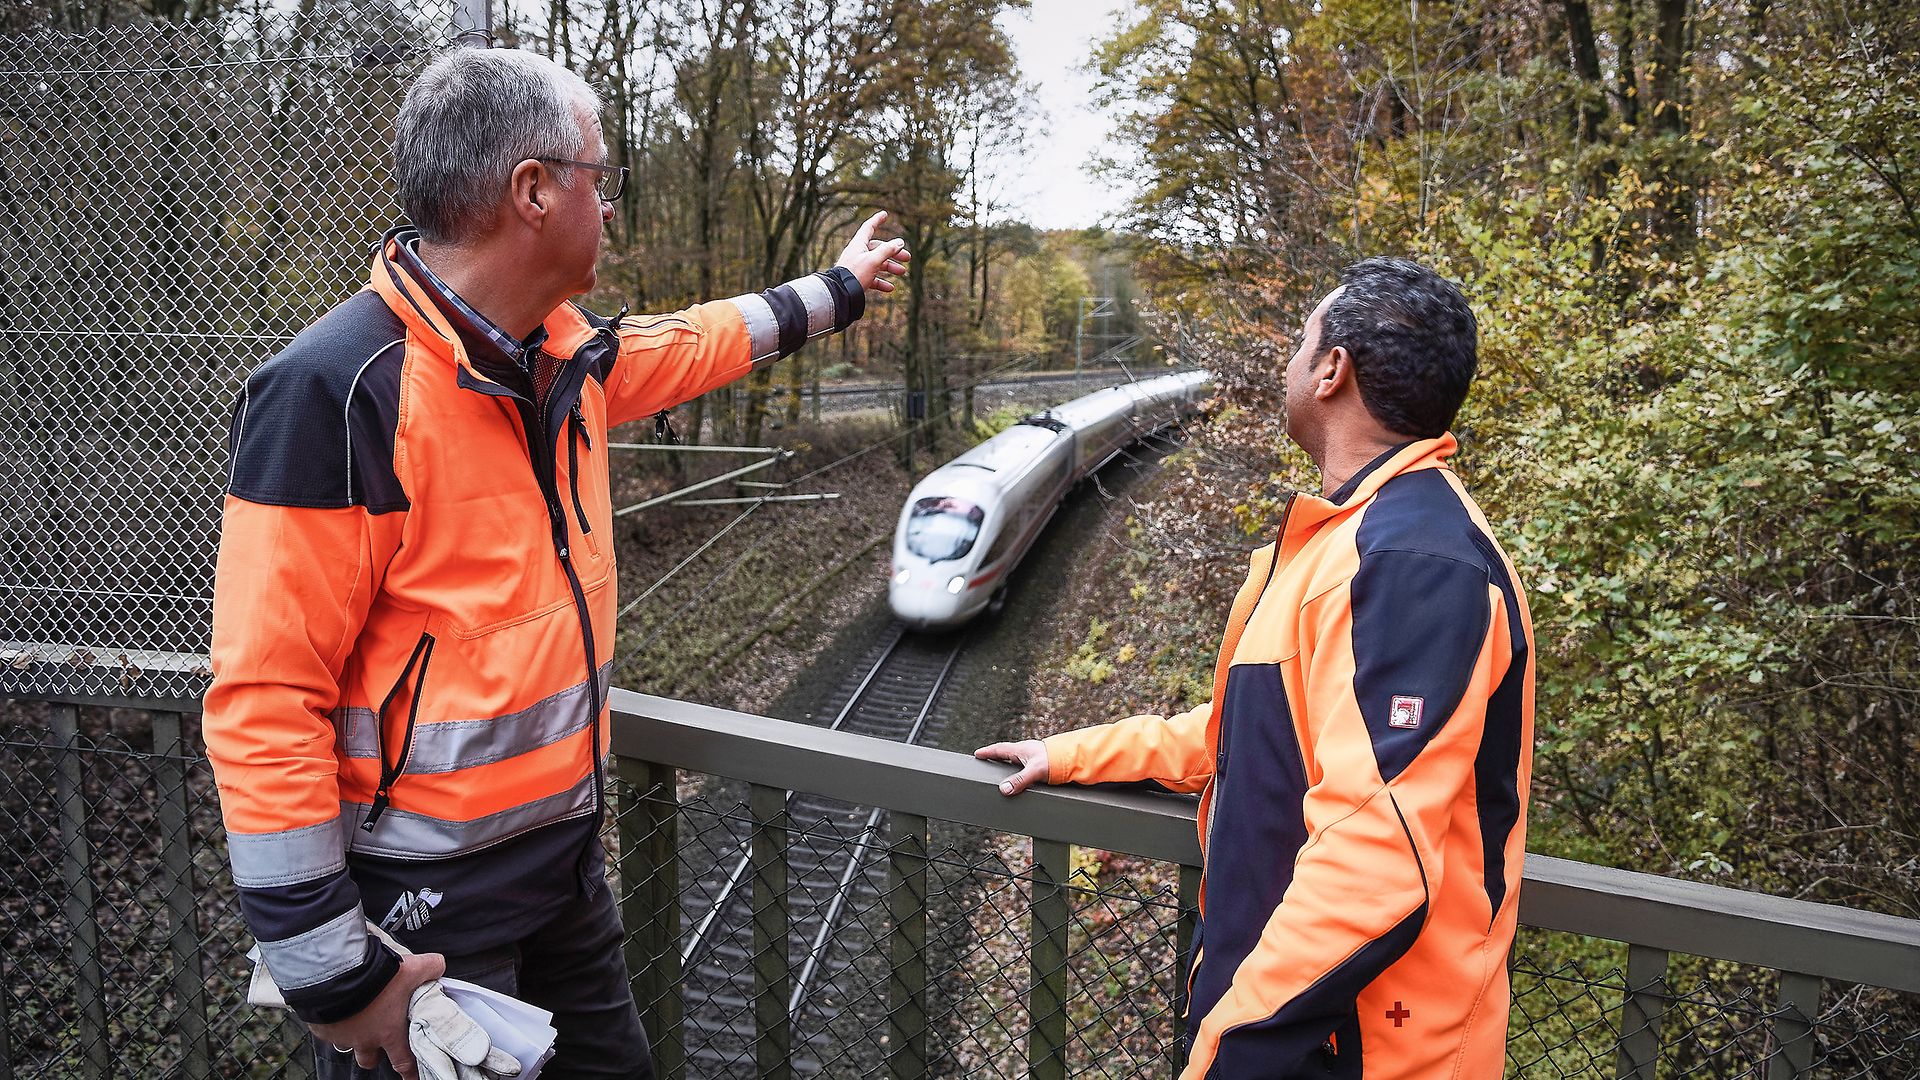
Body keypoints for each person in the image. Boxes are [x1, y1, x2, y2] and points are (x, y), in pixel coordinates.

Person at [202, 46, 909, 1079]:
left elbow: (697, 340)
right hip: (425, 913)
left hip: (565, 872)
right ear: (533, 191)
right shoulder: (337, 390)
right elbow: (266, 693)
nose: (610, 206)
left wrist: (839, 290)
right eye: (600, 178)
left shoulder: (562, 360)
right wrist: (333, 972)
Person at [977, 258, 1534, 1079]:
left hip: (1360, 1052)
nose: (1288, 364)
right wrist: (1070, 757)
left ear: (1332, 370)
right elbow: (1249, 734)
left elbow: (1373, 861)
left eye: (1299, 342)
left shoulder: (1416, 563)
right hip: (1292, 1030)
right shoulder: (1344, 542)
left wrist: (1226, 1054)